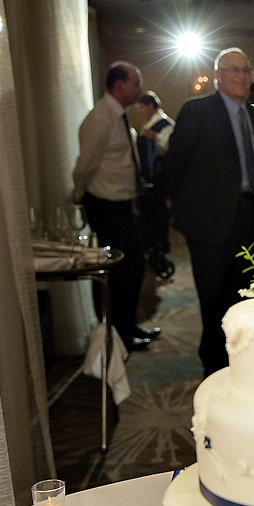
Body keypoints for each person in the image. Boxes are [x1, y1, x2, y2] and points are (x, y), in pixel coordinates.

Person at [166, 47, 254, 377]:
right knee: (213, 304)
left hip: (247, 220)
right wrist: (189, 212)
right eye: (233, 70)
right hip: (207, 226)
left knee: (242, 299)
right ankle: (213, 371)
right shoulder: (197, 111)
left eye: (246, 70)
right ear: (218, 76)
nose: (242, 76)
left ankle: (238, 364)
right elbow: (174, 168)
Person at [72, 61, 160, 352]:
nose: (141, 89)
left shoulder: (117, 115)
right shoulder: (101, 117)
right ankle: (118, 334)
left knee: (132, 267)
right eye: (136, 83)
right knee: (121, 270)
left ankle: (126, 327)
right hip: (106, 206)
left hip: (121, 205)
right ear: (119, 85)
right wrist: (81, 193)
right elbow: (84, 165)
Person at [135, 91, 174, 254]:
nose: (140, 111)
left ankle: (161, 247)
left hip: (159, 176)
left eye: (142, 107)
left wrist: (155, 137)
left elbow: (170, 147)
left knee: (158, 213)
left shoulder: (165, 124)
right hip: (147, 176)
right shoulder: (148, 123)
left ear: (151, 106)